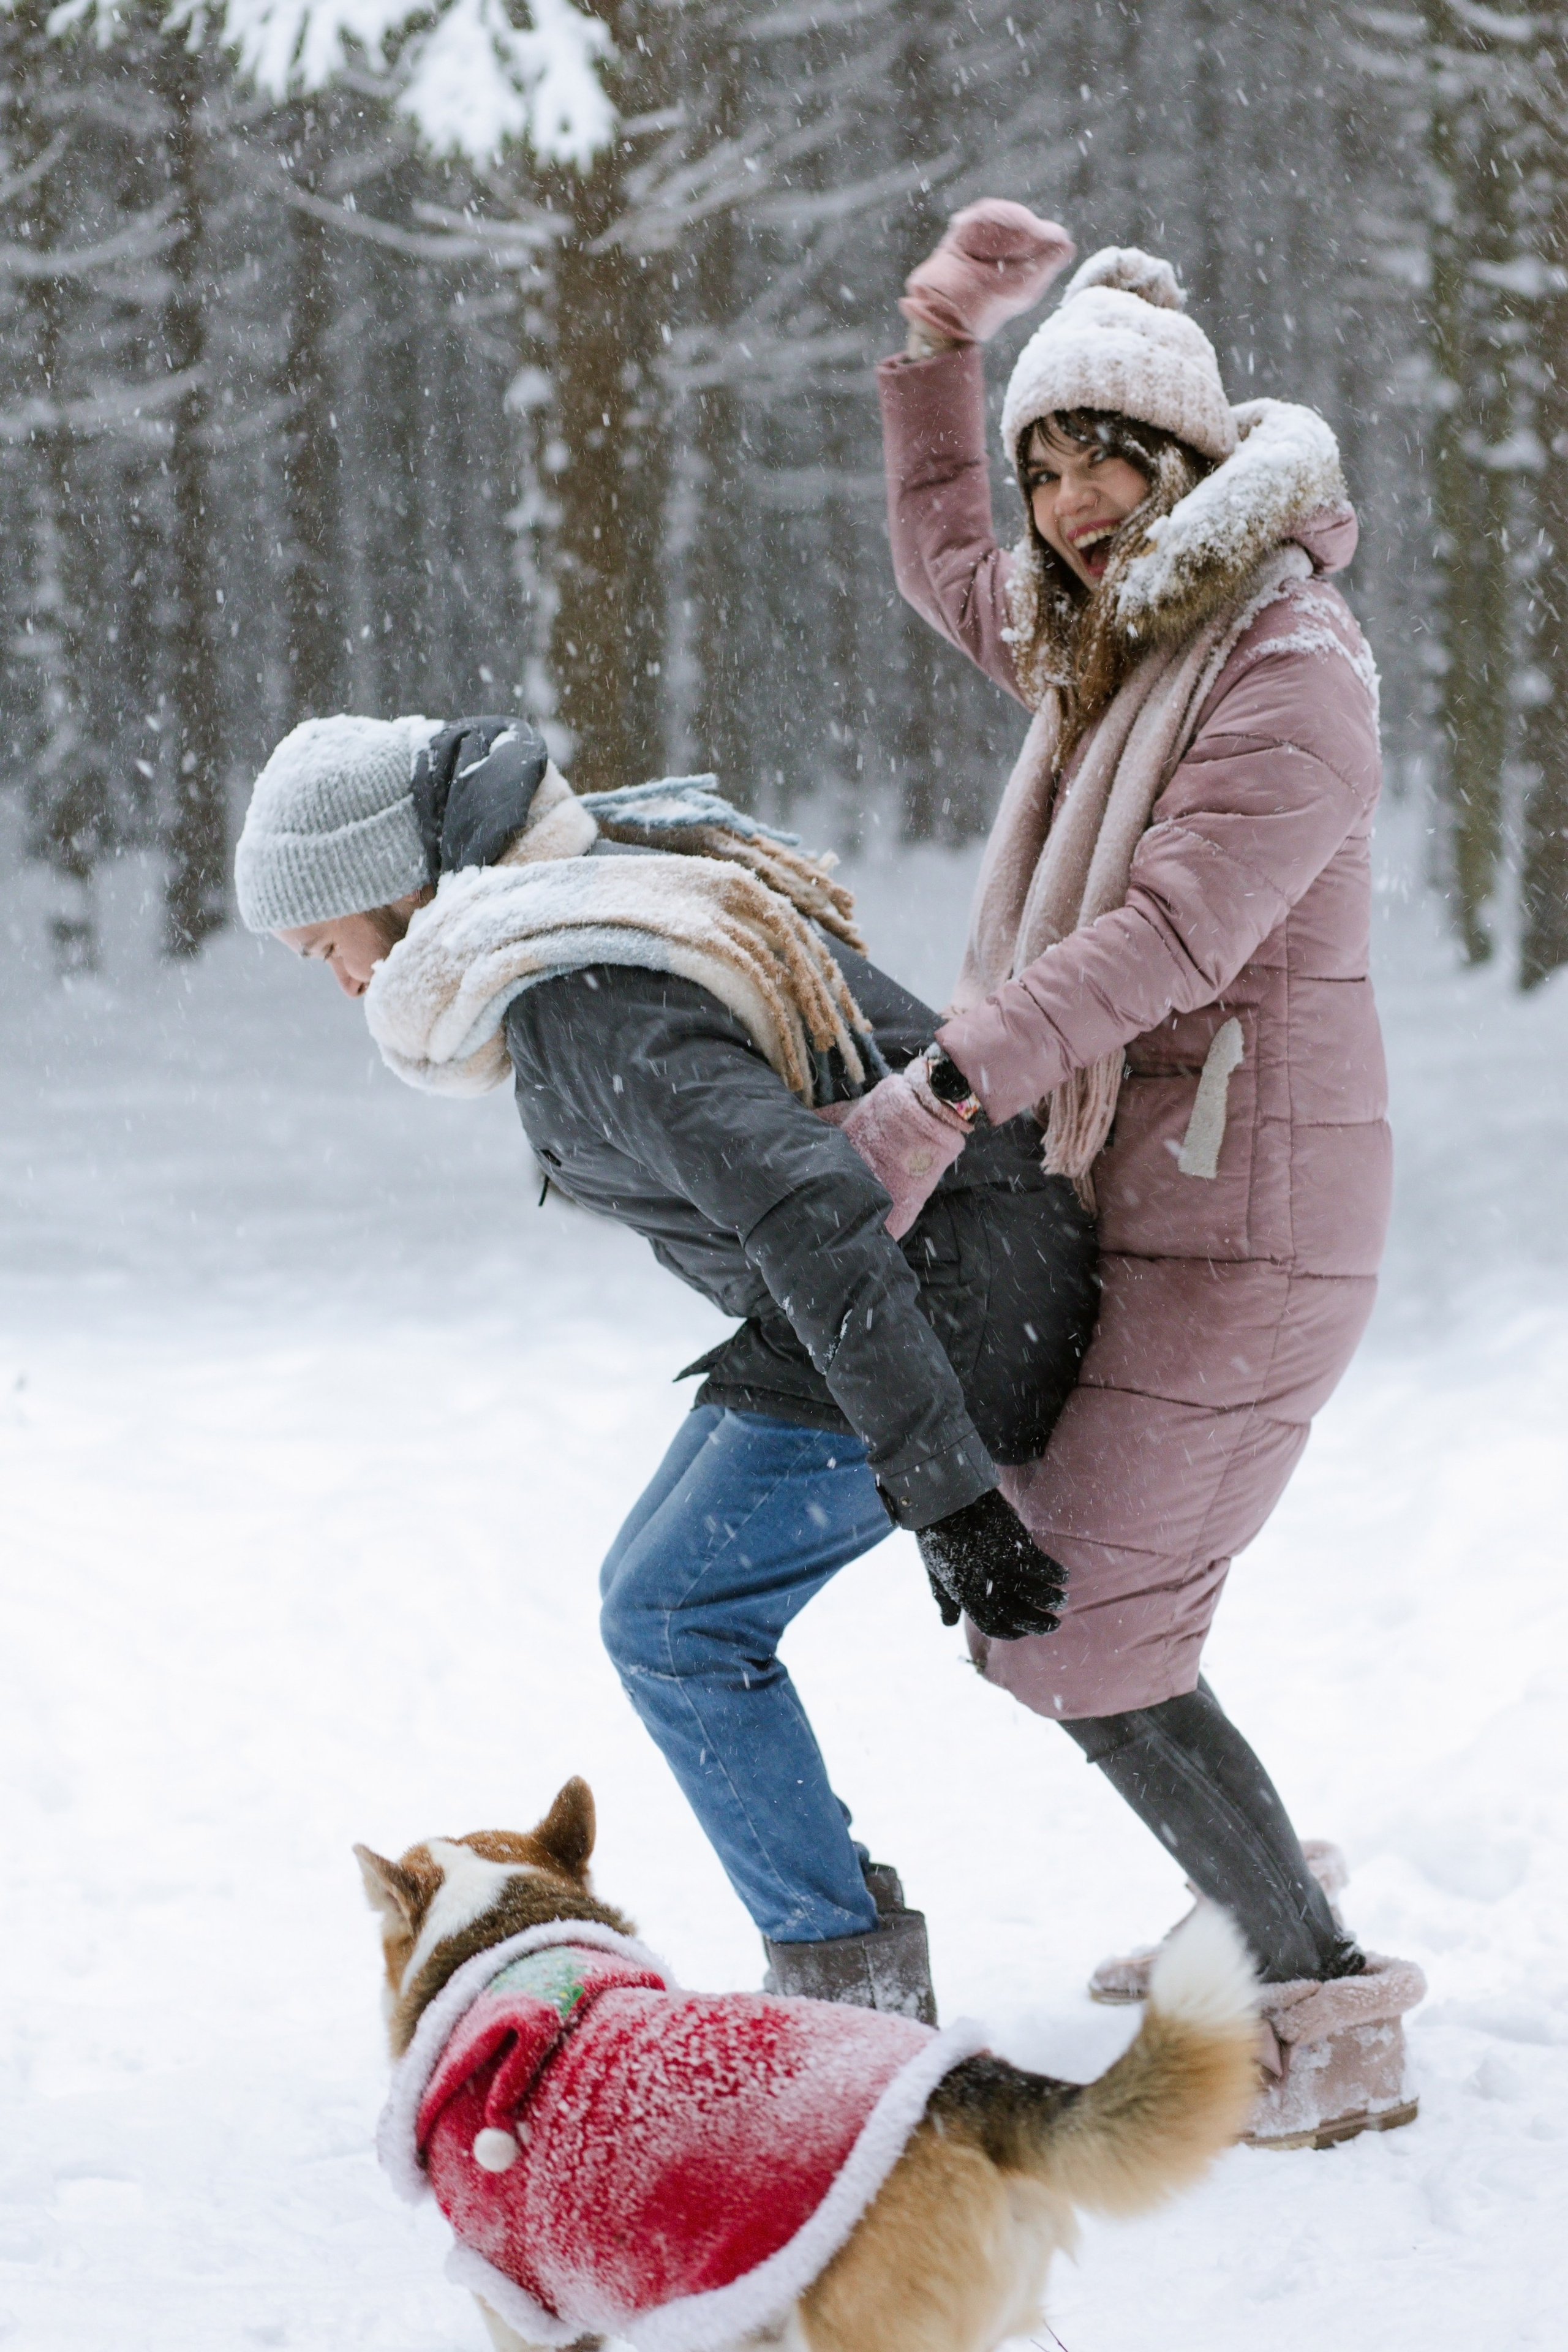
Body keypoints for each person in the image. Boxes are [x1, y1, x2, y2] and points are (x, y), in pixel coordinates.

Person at [840, 203, 1425, 2145]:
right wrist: (940, 336)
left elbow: (1173, 933)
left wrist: (941, 1092)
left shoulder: (1288, 658)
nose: (1071, 504)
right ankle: (1253, 1890)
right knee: (1099, 1602)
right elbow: (952, 562)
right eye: (1045, 467)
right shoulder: (1119, 640)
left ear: (1189, 457)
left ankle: (1325, 2019)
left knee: (1082, 1618)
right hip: (1151, 1198)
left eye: (1107, 456)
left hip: (1255, 1220)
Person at [233, 712, 1098, 2023]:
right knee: (654, 1600)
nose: (346, 983)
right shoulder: (580, 895)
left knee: (674, 1618)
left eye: (327, 948)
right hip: (922, 1277)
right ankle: (848, 1965)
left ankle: (851, 1998)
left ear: (388, 884)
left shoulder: (579, 982)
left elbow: (811, 1208)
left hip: (940, 1295)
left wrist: (949, 1493)